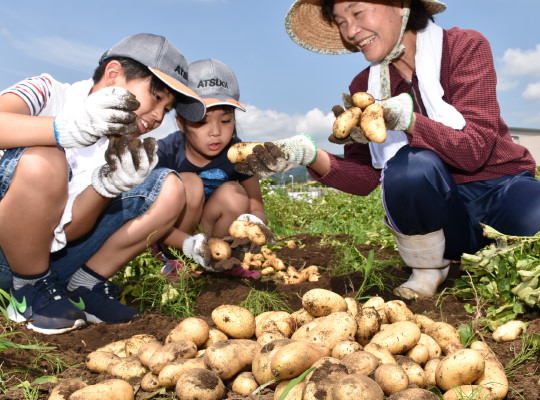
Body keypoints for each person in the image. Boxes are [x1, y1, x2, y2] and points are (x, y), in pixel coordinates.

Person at [233, 0, 540, 300]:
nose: (351, 31)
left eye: (358, 13)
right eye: (341, 22)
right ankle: (428, 267)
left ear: (400, 6)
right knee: (410, 166)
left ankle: (500, 255)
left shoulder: (463, 47)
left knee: (534, 217)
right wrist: (308, 155)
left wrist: (408, 120)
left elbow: (475, 149)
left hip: (500, 190)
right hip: (444, 220)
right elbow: (367, 178)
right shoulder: (363, 89)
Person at [0, 33, 206, 334]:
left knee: (169, 188)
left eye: (167, 109)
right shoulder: (48, 92)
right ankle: (27, 292)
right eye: (157, 97)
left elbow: (68, 232)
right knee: (44, 157)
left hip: (49, 261)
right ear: (114, 75)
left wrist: (105, 187)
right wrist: (62, 130)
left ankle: (81, 288)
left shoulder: (118, 147)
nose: (159, 115)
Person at [155, 58, 271, 277]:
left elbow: (257, 207)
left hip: (216, 236)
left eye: (225, 121)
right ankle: (174, 262)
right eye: (202, 122)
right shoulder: (166, 152)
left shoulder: (240, 154)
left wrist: (254, 223)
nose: (215, 132)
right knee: (188, 183)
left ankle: (221, 263)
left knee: (235, 194)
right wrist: (185, 244)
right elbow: (148, 217)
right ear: (181, 123)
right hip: (174, 238)